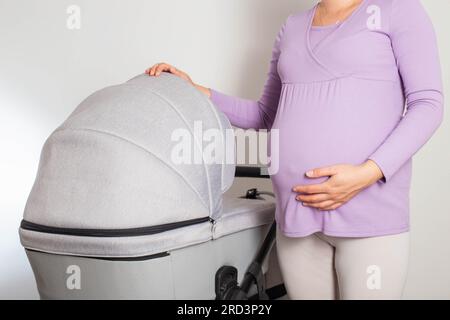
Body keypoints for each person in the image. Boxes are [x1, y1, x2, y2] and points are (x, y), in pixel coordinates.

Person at [146, 0, 443, 299]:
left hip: (369, 218)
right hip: (297, 218)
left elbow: (428, 105)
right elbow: (265, 115)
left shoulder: (398, 9)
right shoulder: (292, 26)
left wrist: (366, 174)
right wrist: (197, 90)